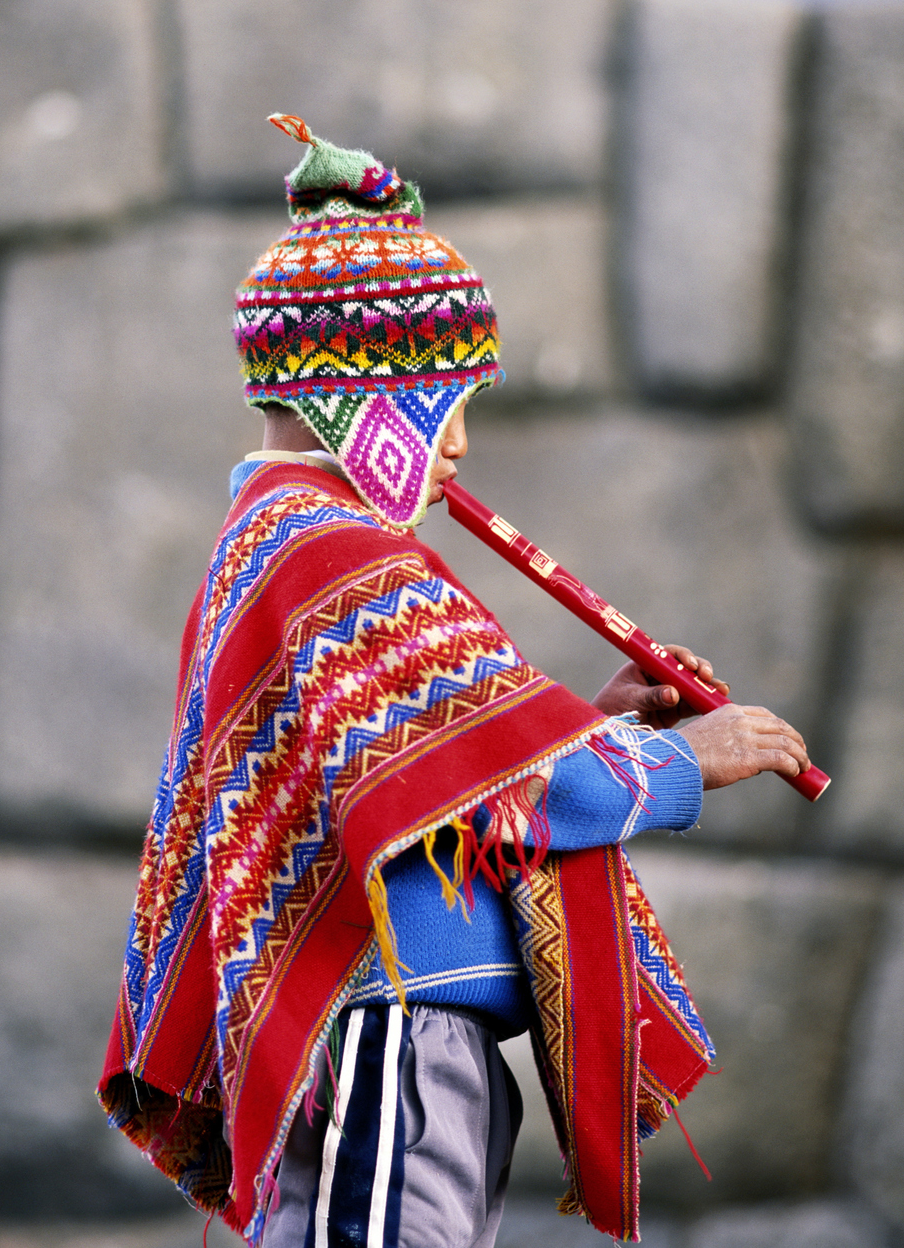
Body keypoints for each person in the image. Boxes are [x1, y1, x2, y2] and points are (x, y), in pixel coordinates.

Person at [100, 115, 809, 1248]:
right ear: (375, 395)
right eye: (453, 400)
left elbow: (437, 770)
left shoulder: (276, 540)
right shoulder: (331, 551)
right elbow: (495, 789)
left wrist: (591, 721)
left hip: (382, 1038)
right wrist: (678, 760)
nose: (464, 445)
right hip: (385, 1035)